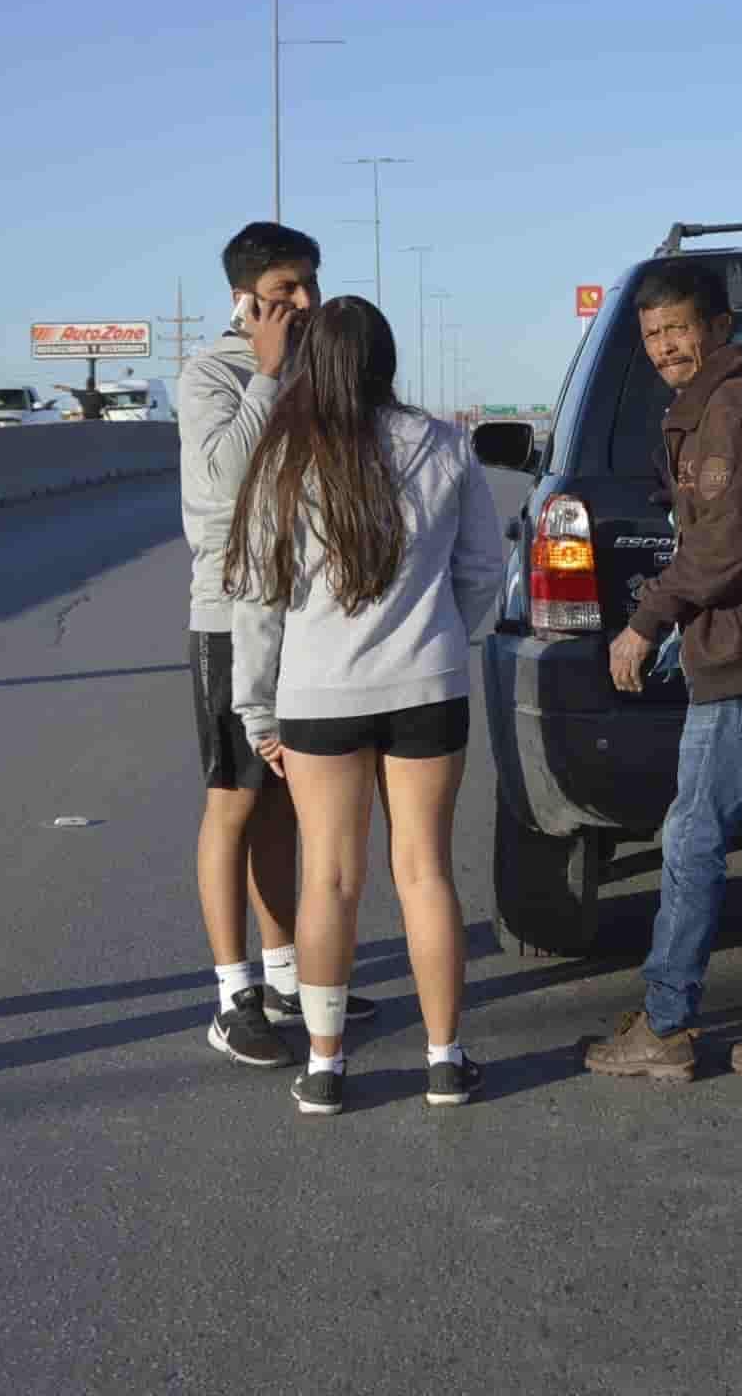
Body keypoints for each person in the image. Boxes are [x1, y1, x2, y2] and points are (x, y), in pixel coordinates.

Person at [228, 296, 503, 1116]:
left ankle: (323, 1066)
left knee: (330, 878)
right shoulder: (447, 445)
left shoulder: (282, 459)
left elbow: (257, 598)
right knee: (424, 872)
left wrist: (256, 711)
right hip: (427, 686)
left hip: (318, 697)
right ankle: (446, 1061)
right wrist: (444, 634)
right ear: (386, 361)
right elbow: (485, 570)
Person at [582, 259, 742, 1087]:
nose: (666, 347)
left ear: (719, 328)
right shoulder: (726, 411)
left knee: (691, 841)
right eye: (653, 335)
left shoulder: (729, 414)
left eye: (679, 329)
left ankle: (665, 1025)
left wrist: (644, 624)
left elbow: (722, 547)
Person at [177, 222, 376, 1067]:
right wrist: (264, 372)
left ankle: (290, 977)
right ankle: (234, 993)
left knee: (289, 802)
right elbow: (222, 479)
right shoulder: (211, 373)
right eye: (289, 289)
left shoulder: (312, 367)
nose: (305, 303)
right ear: (247, 295)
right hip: (231, 617)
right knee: (235, 800)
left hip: (309, 618)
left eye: (310, 287)